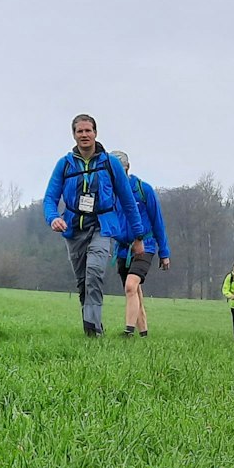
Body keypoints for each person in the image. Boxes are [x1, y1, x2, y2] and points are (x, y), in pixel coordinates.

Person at [40, 114, 144, 337]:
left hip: (102, 227)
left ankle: (93, 330)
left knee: (94, 274)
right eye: (80, 131)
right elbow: (49, 198)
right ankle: (92, 322)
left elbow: (127, 201)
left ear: (95, 133)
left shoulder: (110, 163)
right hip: (73, 229)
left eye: (88, 130)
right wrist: (53, 218)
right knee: (83, 282)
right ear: (74, 135)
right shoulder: (65, 164)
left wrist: (138, 236)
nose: (84, 135)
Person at [111, 151, 169, 338]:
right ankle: (144, 334)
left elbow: (157, 221)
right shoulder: (110, 194)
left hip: (146, 245)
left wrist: (164, 252)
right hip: (122, 249)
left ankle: (128, 331)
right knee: (135, 293)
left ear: (127, 167)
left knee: (130, 286)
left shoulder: (144, 190)